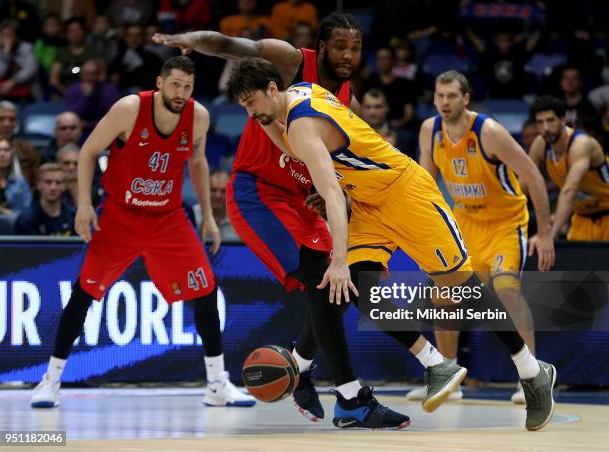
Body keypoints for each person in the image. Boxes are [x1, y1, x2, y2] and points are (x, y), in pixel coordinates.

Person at [226, 57, 558, 431]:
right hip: (368, 201)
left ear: (272, 89)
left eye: (252, 103)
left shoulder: (302, 125)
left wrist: (336, 257)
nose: (250, 113)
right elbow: (296, 149)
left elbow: (332, 195)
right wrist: (273, 123)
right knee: (362, 290)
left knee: (462, 288)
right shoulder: (300, 94)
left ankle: (532, 370)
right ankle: (436, 363)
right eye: (243, 107)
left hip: (404, 193)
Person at [153, 13, 413, 430]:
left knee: (343, 283)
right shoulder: (294, 63)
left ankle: (301, 364)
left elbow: (349, 165)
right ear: (324, 47)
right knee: (321, 277)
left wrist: (337, 189)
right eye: (340, 46)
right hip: (258, 193)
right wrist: (192, 39)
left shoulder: (349, 99)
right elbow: (237, 47)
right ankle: (350, 397)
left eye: (355, 48)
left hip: (302, 200)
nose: (348, 56)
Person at [30, 56, 255, 409]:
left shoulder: (198, 117)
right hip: (120, 215)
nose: (181, 93)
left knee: (206, 289)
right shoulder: (130, 109)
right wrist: (86, 204)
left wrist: (209, 217)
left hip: (168, 218)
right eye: (176, 84)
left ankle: (216, 384)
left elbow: (198, 161)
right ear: (160, 82)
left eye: (188, 87)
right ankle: (50, 381)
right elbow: (89, 151)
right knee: (84, 292)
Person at [413, 70, 555, 404]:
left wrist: (545, 232)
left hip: (505, 223)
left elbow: (533, 176)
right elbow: (424, 186)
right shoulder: (429, 130)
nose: (444, 102)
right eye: (439, 95)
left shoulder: (488, 131)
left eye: (451, 96)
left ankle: (531, 378)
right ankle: (448, 375)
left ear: (466, 98)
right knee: (443, 294)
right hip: (465, 225)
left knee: (507, 290)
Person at [528, 95, 609, 241]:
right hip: (582, 217)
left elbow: (570, 190)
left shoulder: (581, 144)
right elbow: (524, 183)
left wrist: (550, 234)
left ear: (562, 120)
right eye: (540, 122)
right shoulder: (540, 145)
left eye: (550, 120)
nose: (545, 128)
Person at [14, 163, 76, 236]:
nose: (53, 187)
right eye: (48, 182)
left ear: (64, 186)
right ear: (38, 185)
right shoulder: (25, 219)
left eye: (58, 183)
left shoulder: (73, 216)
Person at [0, 135, 32, 233]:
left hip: (16, 231)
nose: (2, 154)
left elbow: (26, 214)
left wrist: (1, 211)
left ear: (12, 154)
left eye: (6, 150)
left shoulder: (21, 183)